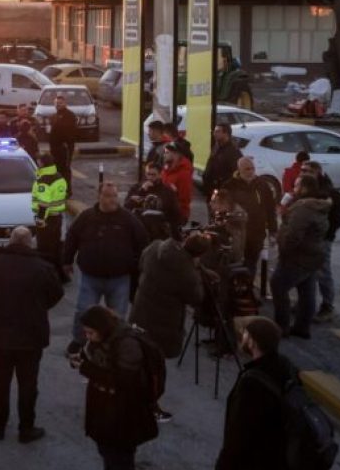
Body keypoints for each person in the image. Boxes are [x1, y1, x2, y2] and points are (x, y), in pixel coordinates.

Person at [0, 226, 63, 443]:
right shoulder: (44, 267)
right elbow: (55, 294)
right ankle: (26, 428)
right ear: (29, 243)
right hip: (31, 336)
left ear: (10, 241)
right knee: (28, 384)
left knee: (0, 381)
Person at [72, 305, 159, 470]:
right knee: (111, 461)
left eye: (90, 332)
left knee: (121, 465)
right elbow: (98, 360)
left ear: (102, 329)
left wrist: (86, 368)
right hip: (107, 413)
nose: (87, 336)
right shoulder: (105, 339)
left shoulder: (127, 344)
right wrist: (82, 360)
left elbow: (122, 381)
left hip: (124, 416)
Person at [214, 316, 298, 470]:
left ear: (252, 341)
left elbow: (239, 433)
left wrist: (223, 464)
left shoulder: (252, 384)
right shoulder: (286, 367)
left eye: (245, 335)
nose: (242, 338)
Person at [63, 182, 148, 355]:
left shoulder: (128, 219)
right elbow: (71, 238)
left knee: (117, 316)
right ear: (99, 196)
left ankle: (116, 346)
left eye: (115, 196)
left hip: (119, 279)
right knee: (83, 311)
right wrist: (66, 261)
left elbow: (142, 241)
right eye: (108, 195)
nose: (112, 200)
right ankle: (78, 341)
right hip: (90, 277)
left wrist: (135, 265)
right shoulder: (86, 217)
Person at [129, 233, 209, 359]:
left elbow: (141, 263)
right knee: (156, 360)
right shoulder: (188, 274)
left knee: (137, 352)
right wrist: (197, 269)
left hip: (139, 313)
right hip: (165, 325)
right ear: (199, 255)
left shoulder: (155, 247)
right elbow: (196, 298)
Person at [271, 174, 331, 338]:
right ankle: (302, 328)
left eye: (296, 186)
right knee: (306, 291)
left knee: (278, 286)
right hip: (312, 256)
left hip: (297, 257)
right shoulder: (318, 206)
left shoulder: (303, 208)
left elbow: (293, 235)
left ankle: (281, 327)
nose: (294, 189)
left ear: (304, 188)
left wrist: (283, 248)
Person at [220, 157, 279, 279]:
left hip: (256, 233)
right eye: (247, 169)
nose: (251, 172)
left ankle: (248, 288)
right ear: (239, 170)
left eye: (252, 168)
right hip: (236, 233)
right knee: (235, 263)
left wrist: (273, 230)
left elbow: (270, 209)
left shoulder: (262, 185)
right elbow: (220, 207)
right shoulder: (229, 185)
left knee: (251, 264)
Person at [303, 160, 340, 322]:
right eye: (302, 170)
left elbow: (337, 220)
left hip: (322, 239)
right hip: (308, 238)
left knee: (323, 272)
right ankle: (306, 302)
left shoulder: (330, 193)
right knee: (305, 271)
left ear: (317, 172)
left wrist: (325, 235)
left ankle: (328, 306)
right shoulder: (309, 188)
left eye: (307, 171)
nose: (303, 173)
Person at [31, 151, 68, 276]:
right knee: (55, 247)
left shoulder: (44, 180)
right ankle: (60, 275)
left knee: (44, 249)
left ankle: (46, 275)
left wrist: (40, 220)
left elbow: (43, 203)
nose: (37, 163)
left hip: (47, 220)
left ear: (42, 163)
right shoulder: (59, 176)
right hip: (57, 217)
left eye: (39, 161)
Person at [124, 162, 183, 240]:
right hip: (141, 229)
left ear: (160, 174)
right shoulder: (136, 188)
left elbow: (176, 214)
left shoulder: (167, 191)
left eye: (153, 175)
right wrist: (141, 191)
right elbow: (126, 207)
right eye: (148, 174)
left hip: (160, 231)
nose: (150, 177)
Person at [202, 123, 243, 197]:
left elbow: (236, 174)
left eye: (217, 131)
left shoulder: (233, 151)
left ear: (226, 133)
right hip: (212, 190)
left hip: (223, 192)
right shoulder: (216, 147)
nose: (214, 134)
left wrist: (225, 188)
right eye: (214, 131)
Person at [160, 142, 194, 224]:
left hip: (177, 214)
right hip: (165, 210)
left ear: (176, 154)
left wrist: (173, 192)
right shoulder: (166, 169)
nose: (164, 155)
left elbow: (185, 198)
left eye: (167, 152)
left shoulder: (184, 173)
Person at [49, 94, 78, 184]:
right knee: (56, 168)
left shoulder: (70, 116)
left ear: (65, 104)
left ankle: (67, 190)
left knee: (65, 169)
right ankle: (59, 189)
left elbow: (71, 132)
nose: (58, 105)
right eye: (57, 103)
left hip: (65, 147)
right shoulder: (53, 116)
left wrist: (67, 145)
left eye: (60, 103)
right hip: (54, 148)